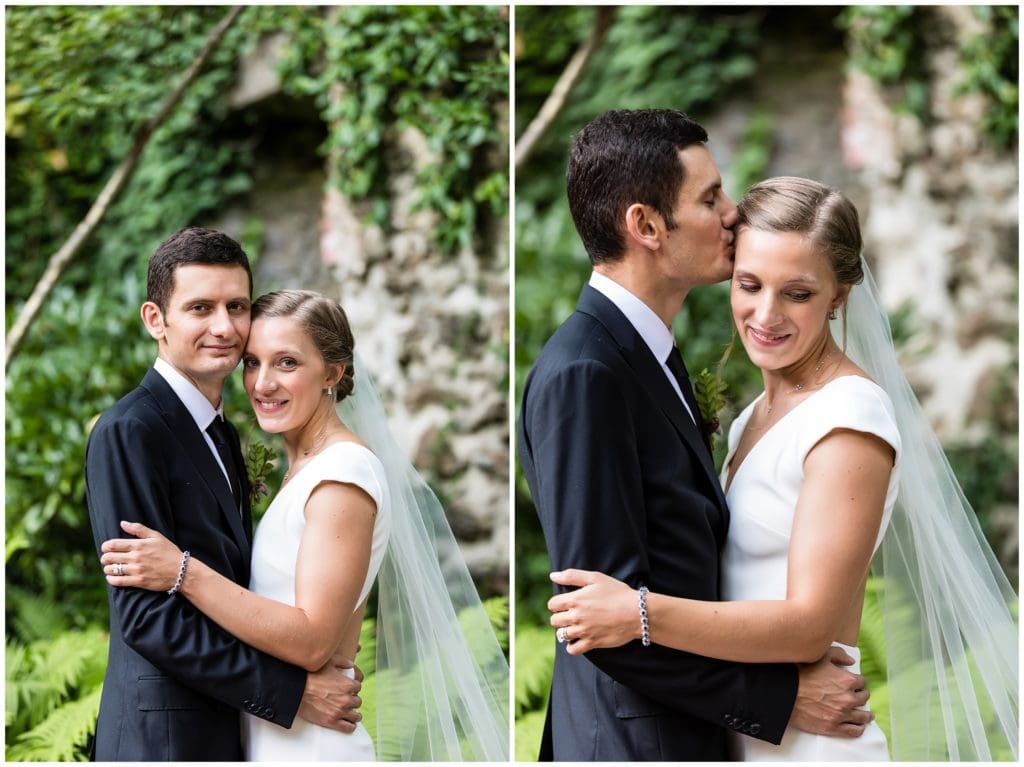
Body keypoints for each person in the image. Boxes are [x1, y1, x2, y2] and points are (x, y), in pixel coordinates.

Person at [547, 177, 1019, 761]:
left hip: (812, 745)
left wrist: (636, 613)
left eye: (797, 293)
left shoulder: (849, 416)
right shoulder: (752, 417)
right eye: (749, 284)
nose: (765, 314)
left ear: (839, 295)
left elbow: (809, 625)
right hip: (745, 731)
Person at [517, 110, 874, 762]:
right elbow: (599, 618)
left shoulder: (652, 355)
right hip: (636, 741)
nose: (734, 214)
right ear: (647, 226)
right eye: (710, 198)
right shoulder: (586, 373)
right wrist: (779, 698)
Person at [100, 289, 509, 761]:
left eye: (287, 363)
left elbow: (314, 640)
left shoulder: (343, 476)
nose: (262, 383)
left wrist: (183, 571)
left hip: (311, 747)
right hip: (276, 735)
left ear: (332, 374)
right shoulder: (301, 467)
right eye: (252, 363)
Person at [85, 229, 362, 761]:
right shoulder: (130, 430)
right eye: (200, 307)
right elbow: (146, 618)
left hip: (229, 731)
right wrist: (291, 692)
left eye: (237, 306)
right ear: (155, 320)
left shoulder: (223, 434)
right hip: (165, 740)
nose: (224, 327)